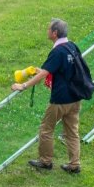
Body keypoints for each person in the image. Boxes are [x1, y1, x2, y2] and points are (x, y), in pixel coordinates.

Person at [11, 19, 84, 174]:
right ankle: (74, 164)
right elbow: (64, 69)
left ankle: (45, 161)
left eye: (48, 29)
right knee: (72, 132)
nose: (47, 31)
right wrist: (44, 71)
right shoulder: (72, 46)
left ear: (55, 33)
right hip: (76, 97)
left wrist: (23, 85)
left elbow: (45, 73)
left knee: (46, 129)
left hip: (60, 100)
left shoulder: (57, 51)